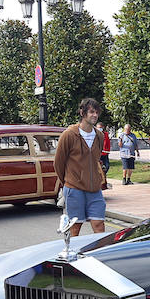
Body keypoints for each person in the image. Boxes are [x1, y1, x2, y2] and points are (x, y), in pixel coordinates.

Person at [54, 97, 108, 237]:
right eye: (91, 112)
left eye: (96, 112)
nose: (95, 115)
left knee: (98, 223)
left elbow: (96, 159)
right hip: (74, 188)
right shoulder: (69, 135)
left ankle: (100, 254)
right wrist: (68, 182)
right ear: (82, 113)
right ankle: (72, 253)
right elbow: (58, 163)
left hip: (94, 189)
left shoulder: (99, 136)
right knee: (75, 226)